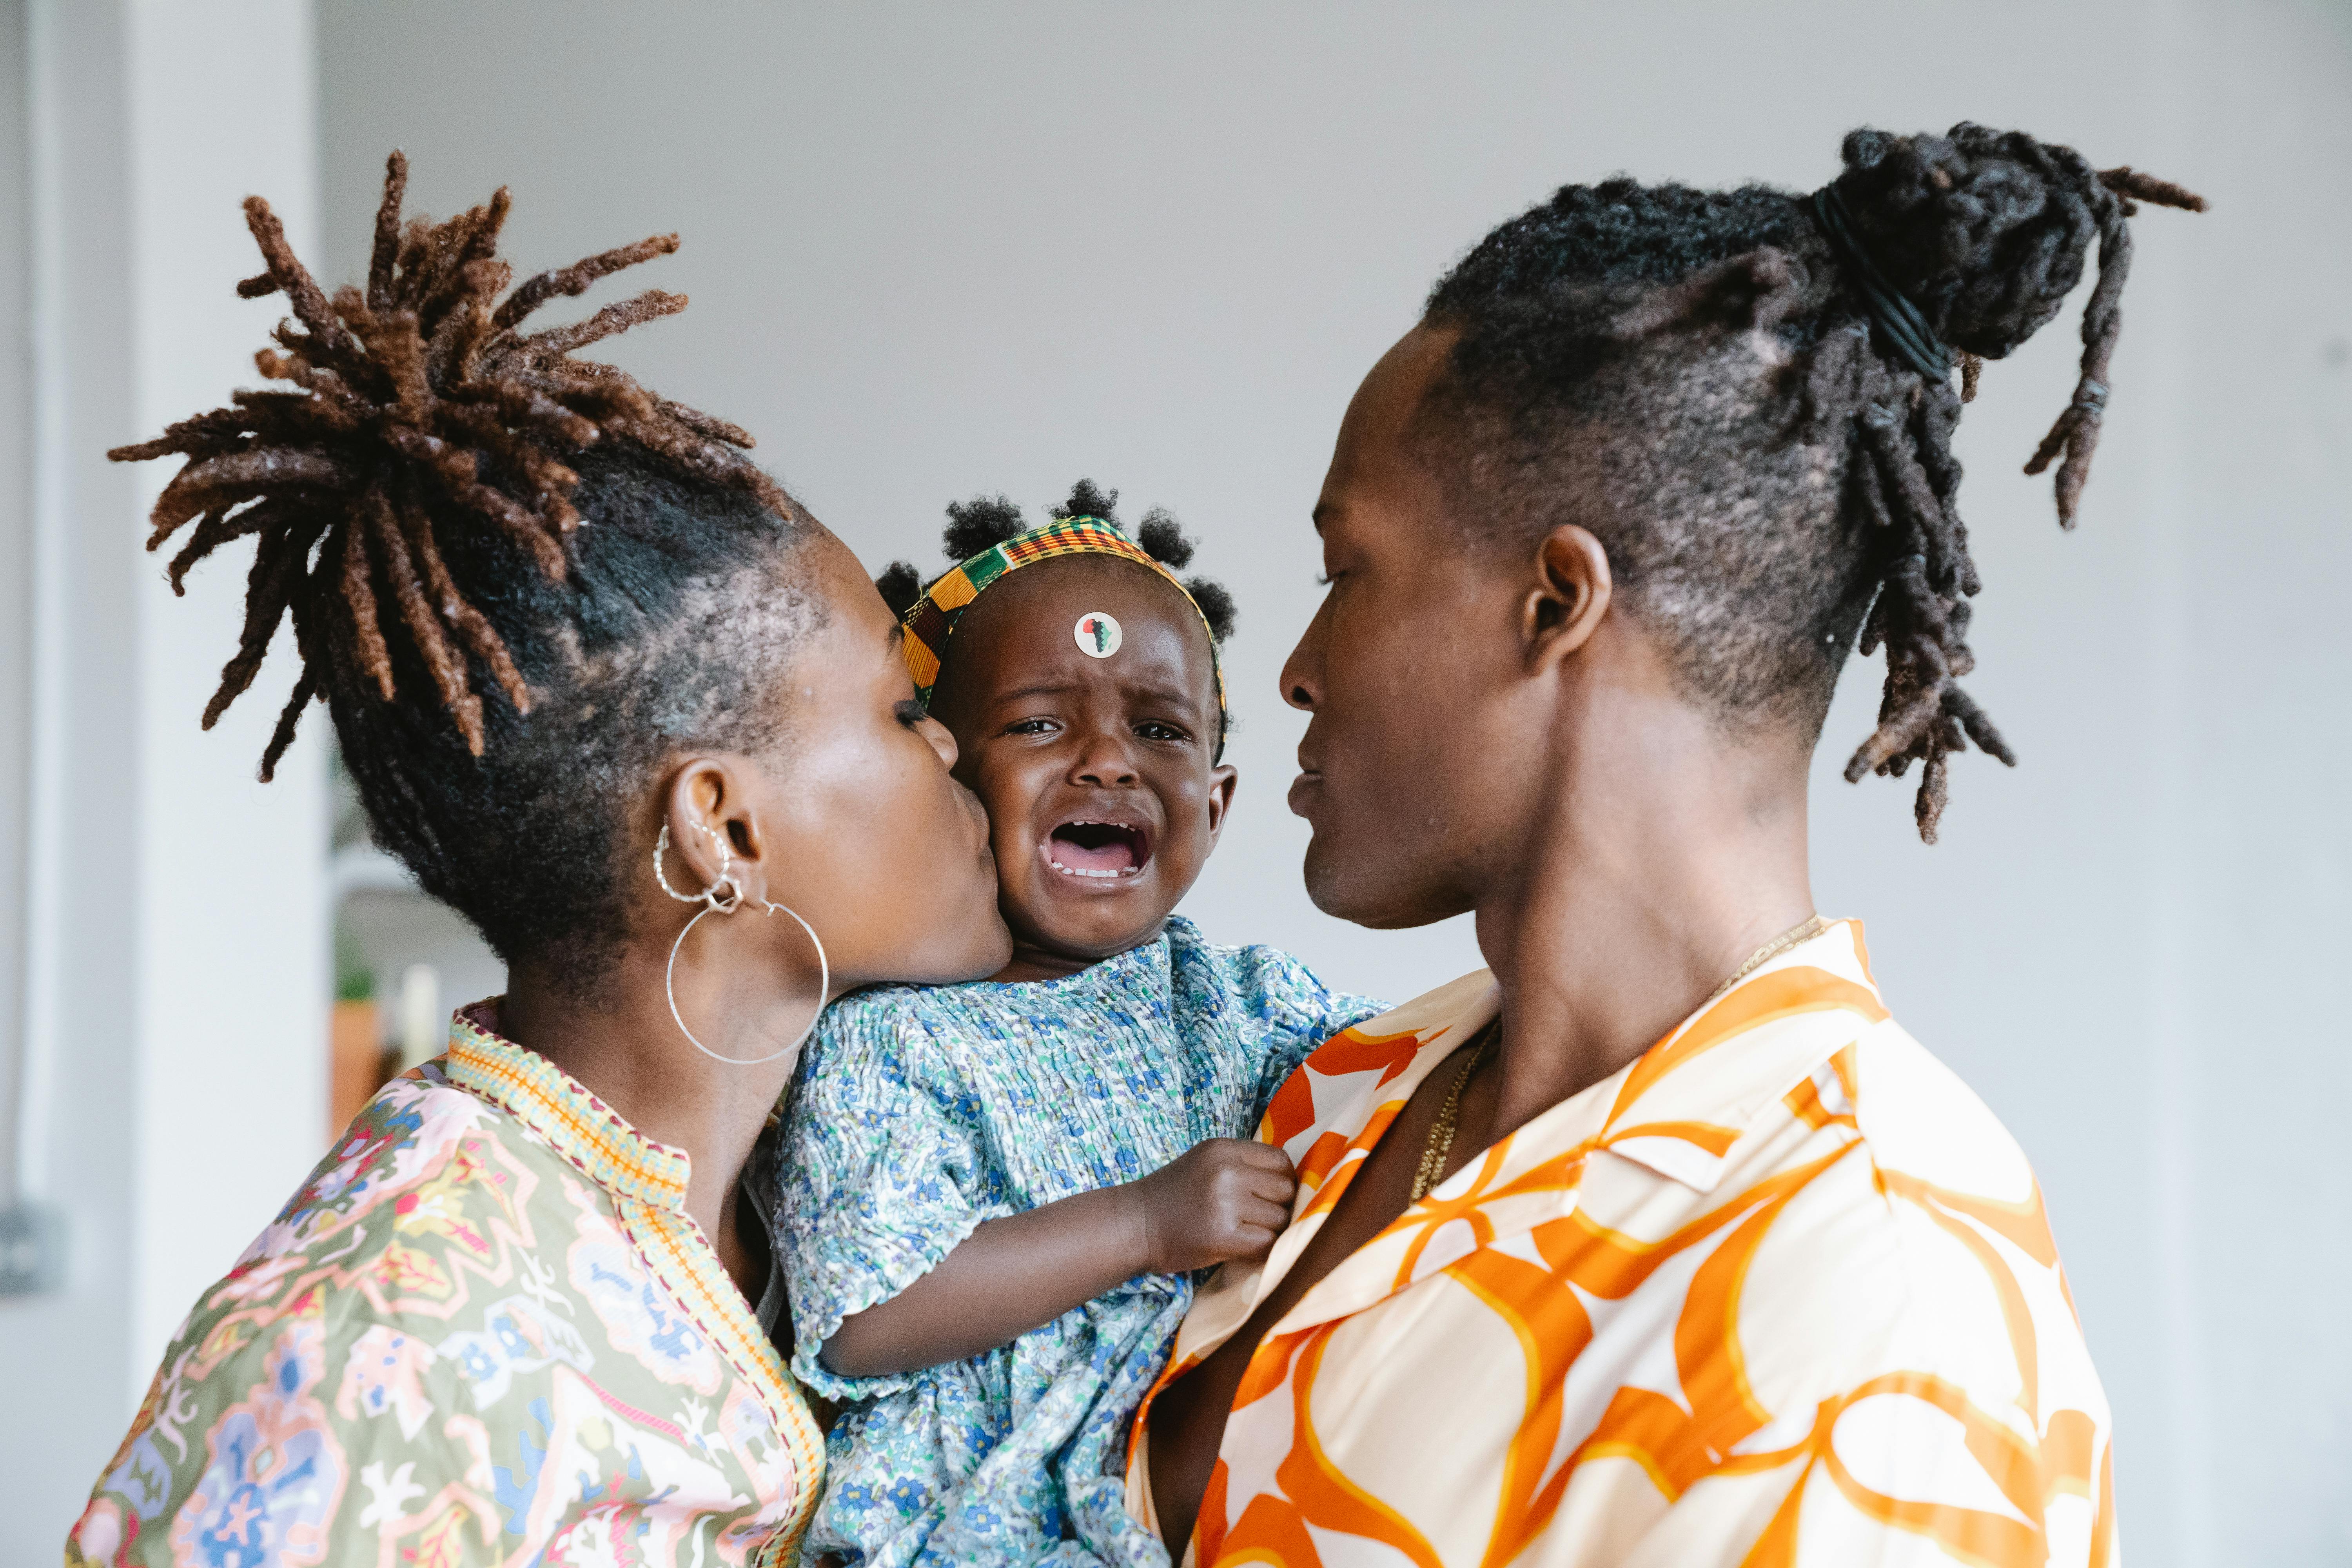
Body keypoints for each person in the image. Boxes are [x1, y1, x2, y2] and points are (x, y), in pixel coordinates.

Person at [1132, 123, 2204, 1565]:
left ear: (1555, 603)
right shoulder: (1350, 1085)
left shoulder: (1869, 1317)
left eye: (1348, 571)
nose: (1296, 669)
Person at [67, 153, 1011, 1566]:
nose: (953, 755)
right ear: (722, 831)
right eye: (902, 709)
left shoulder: (846, 1182)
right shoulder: (380, 1352)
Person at [773, 484, 1383, 1565]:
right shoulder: (890, 1039)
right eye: (1040, 723)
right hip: (970, 1526)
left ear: (1216, 802)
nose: (1109, 761)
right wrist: (1145, 1227)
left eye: (1159, 729)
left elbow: (1430, 1071)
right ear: (940, 779)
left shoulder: (1241, 1002)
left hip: (1198, 1503)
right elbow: (866, 1317)